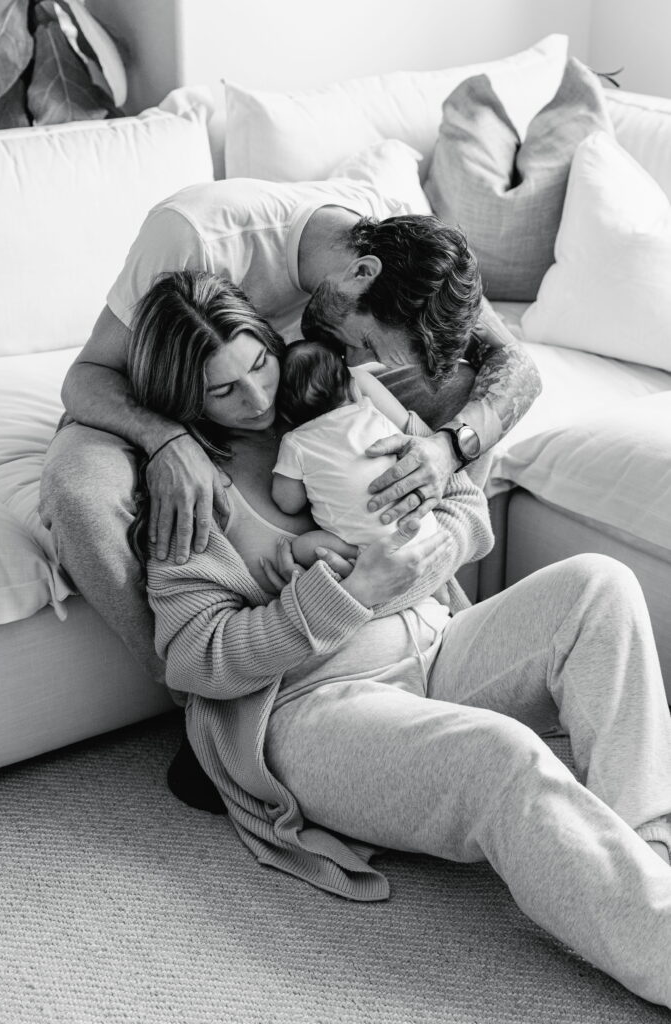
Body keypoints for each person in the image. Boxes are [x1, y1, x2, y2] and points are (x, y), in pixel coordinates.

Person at [128, 270, 671, 1010]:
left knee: (597, 585)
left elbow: (467, 512)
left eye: (256, 364)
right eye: (222, 391)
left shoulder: (324, 403)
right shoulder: (188, 491)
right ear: (181, 398)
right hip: (313, 712)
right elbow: (197, 659)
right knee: (502, 759)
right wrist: (346, 594)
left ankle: (647, 858)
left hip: (436, 645)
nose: (255, 399)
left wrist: (411, 557)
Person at [38, 175, 541, 682]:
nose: (358, 363)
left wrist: (446, 450)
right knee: (77, 489)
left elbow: (517, 366)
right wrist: (165, 438)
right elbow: (85, 378)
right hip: (158, 394)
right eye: (366, 341)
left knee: (469, 389)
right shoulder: (196, 236)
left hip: (288, 380)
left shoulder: (417, 255)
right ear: (362, 272)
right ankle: (188, 691)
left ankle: (417, 575)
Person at [272, 338, 440, 567]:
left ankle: (354, 554)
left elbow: (288, 503)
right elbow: (412, 449)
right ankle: (439, 587)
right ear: (353, 388)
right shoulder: (373, 414)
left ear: (287, 417)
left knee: (302, 548)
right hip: (426, 528)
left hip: (373, 550)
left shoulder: (295, 443)